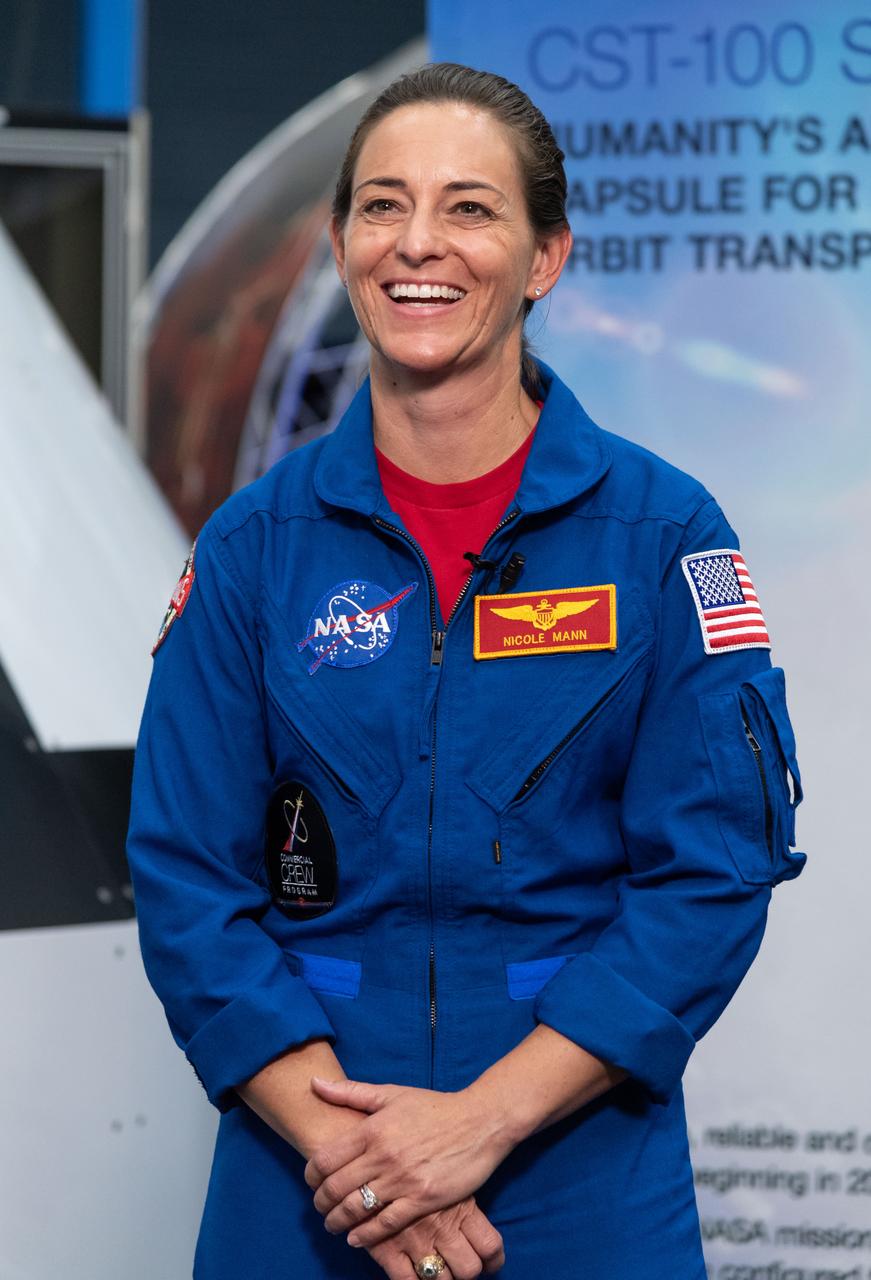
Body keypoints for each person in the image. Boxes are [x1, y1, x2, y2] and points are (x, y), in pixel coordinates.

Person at [127, 63, 806, 1280]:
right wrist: (368, 1153)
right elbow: (185, 874)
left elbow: (709, 872)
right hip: (308, 1162)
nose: (417, 243)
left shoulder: (661, 536)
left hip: (577, 1160)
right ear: (339, 244)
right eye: (382, 206)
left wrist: (479, 1121)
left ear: (544, 258)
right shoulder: (252, 550)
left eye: (470, 208)